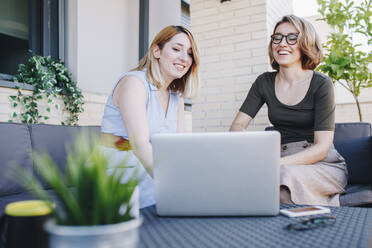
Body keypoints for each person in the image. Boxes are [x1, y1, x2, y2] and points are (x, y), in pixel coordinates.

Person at [229, 15, 347, 206]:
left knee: (280, 179)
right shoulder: (263, 82)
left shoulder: (321, 84)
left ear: (305, 43)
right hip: (281, 159)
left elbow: (322, 147)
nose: (282, 43)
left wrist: (275, 165)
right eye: (277, 37)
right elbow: (237, 127)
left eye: (292, 38)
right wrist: (254, 152)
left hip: (321, 164)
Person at [100, 25, 200, 208]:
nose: (184, 58)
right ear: (157, 51)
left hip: (153, 171)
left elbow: (179, 146)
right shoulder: (134, 83)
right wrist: (173, 185)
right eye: (176, 49)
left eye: (190, 53)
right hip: (119, 173)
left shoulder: (176, 95)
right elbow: (140, 144)